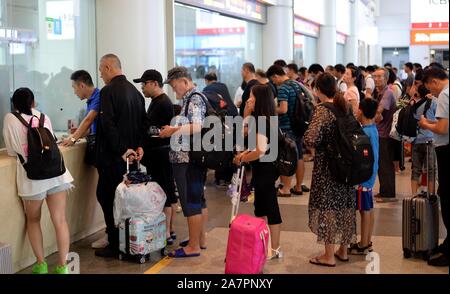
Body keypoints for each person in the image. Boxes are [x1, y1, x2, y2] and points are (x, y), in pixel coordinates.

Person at [3, 88, 73, 274]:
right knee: (60, 220)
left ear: (14, 104)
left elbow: (11, 150)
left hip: (32, 179)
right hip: (56, 175)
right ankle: (62, 267)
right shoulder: (43, 116)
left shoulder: (10, 118)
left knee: (33, 220)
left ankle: (41, 265)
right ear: (33, 102)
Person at [94, 54, 146, 258]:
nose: (101, 75)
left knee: (107, 197)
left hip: (114, 158)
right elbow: (143, 123)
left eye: (100, 71)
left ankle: (115, 242)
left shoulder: (108, 92)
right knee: (126, 202)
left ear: (108, 67)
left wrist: (122, 149)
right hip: (132, 158)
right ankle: (127, 241)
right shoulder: (135, 93)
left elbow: (108, 125)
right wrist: (139, 147)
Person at [304, 73, 356, 267]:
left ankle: (328, 256)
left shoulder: (322, 110)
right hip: (347, 166)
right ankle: (343, 250)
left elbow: (311, 139)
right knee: (345, 206)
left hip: (328, 168)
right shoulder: (345, 107)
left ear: (318, 90)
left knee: (328, 209)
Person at [159, 66, 208, 258]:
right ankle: (200, 239)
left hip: (187, 159)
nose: (174, 90)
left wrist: (172, 131)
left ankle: (193, 246)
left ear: (185, 82)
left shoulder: (194, 99)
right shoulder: (195, 97)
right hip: (194, 157)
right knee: (199, 200)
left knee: (190, 202)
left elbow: (196, 126)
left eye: (174, 85)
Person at [234, 84, 283, 260]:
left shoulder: (263, 122)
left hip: (266, 172)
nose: (248, 99)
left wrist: (242, 158)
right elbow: (244, 135)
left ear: (260, 100)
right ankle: (264, 245)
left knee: (270, 209)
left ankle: (275, 249)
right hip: (263, 171)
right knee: (261, 208)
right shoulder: (263, 119)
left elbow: (259, 151)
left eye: (252, 96)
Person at [133, 69, 178, 245]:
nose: (143, 88)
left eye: (144, 84)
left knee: (164, 192)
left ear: (154, 83)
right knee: (168, 192)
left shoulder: (162, 103)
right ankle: (170, 229)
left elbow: (156, 130)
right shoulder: (157, 101)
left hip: (161, 154)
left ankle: (166, 232)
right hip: (160, 154)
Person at [63, 70, 106, 249]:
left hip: (104, 150)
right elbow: (89, 125)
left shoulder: (98, 97)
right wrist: (78, 132)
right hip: (97, 144)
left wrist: (72, 139)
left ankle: (110, 234)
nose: (74, 92)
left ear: (82, 85)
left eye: (74, 87)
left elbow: (89, 120)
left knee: (104, 192)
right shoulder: (91, 100)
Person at [419, 68, 449, 267]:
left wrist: (424, 124)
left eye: (429, 86)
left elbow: (442, 128)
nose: (431, 92)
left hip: (447, 150)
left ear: (433, 82)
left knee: (446, 196)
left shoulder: (445, 94)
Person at [266, 65, 309, 197]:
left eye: (273, 80)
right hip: (299, 125)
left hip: (287, 127)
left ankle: (285, 189)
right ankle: (298, 187)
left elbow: (283, 109)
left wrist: (271, 109)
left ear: (276, 76)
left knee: (287, 156)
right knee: (299, 156)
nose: (274, 83)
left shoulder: (284, 87)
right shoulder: (296, 84)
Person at [348, 98, 379, 255]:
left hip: (363, 177)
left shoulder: (363, 133)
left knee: (364, 210)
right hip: (371, 174)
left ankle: (364, 244)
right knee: (369, 208)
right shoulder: (373, 129)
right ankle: (367, 240)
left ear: (360, 111)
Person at [410, 73, 437, 195]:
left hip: (416, 140)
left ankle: (413, 195)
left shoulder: (415, 105)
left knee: (416, 169)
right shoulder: (433, 102)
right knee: (431, 170)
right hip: (430, 140)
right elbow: (439, 120)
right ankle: (431, 195)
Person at [373, 68, 397, 201]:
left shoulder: (387, 93)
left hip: (385, 135)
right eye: (374, 76)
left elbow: (378, 113)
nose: (376, 79)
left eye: (379, 77)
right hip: (380, 133)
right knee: (381, 164)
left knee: (385, 164)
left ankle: (388, 194)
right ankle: (384, 191)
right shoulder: (380, 92)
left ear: (386, 79)